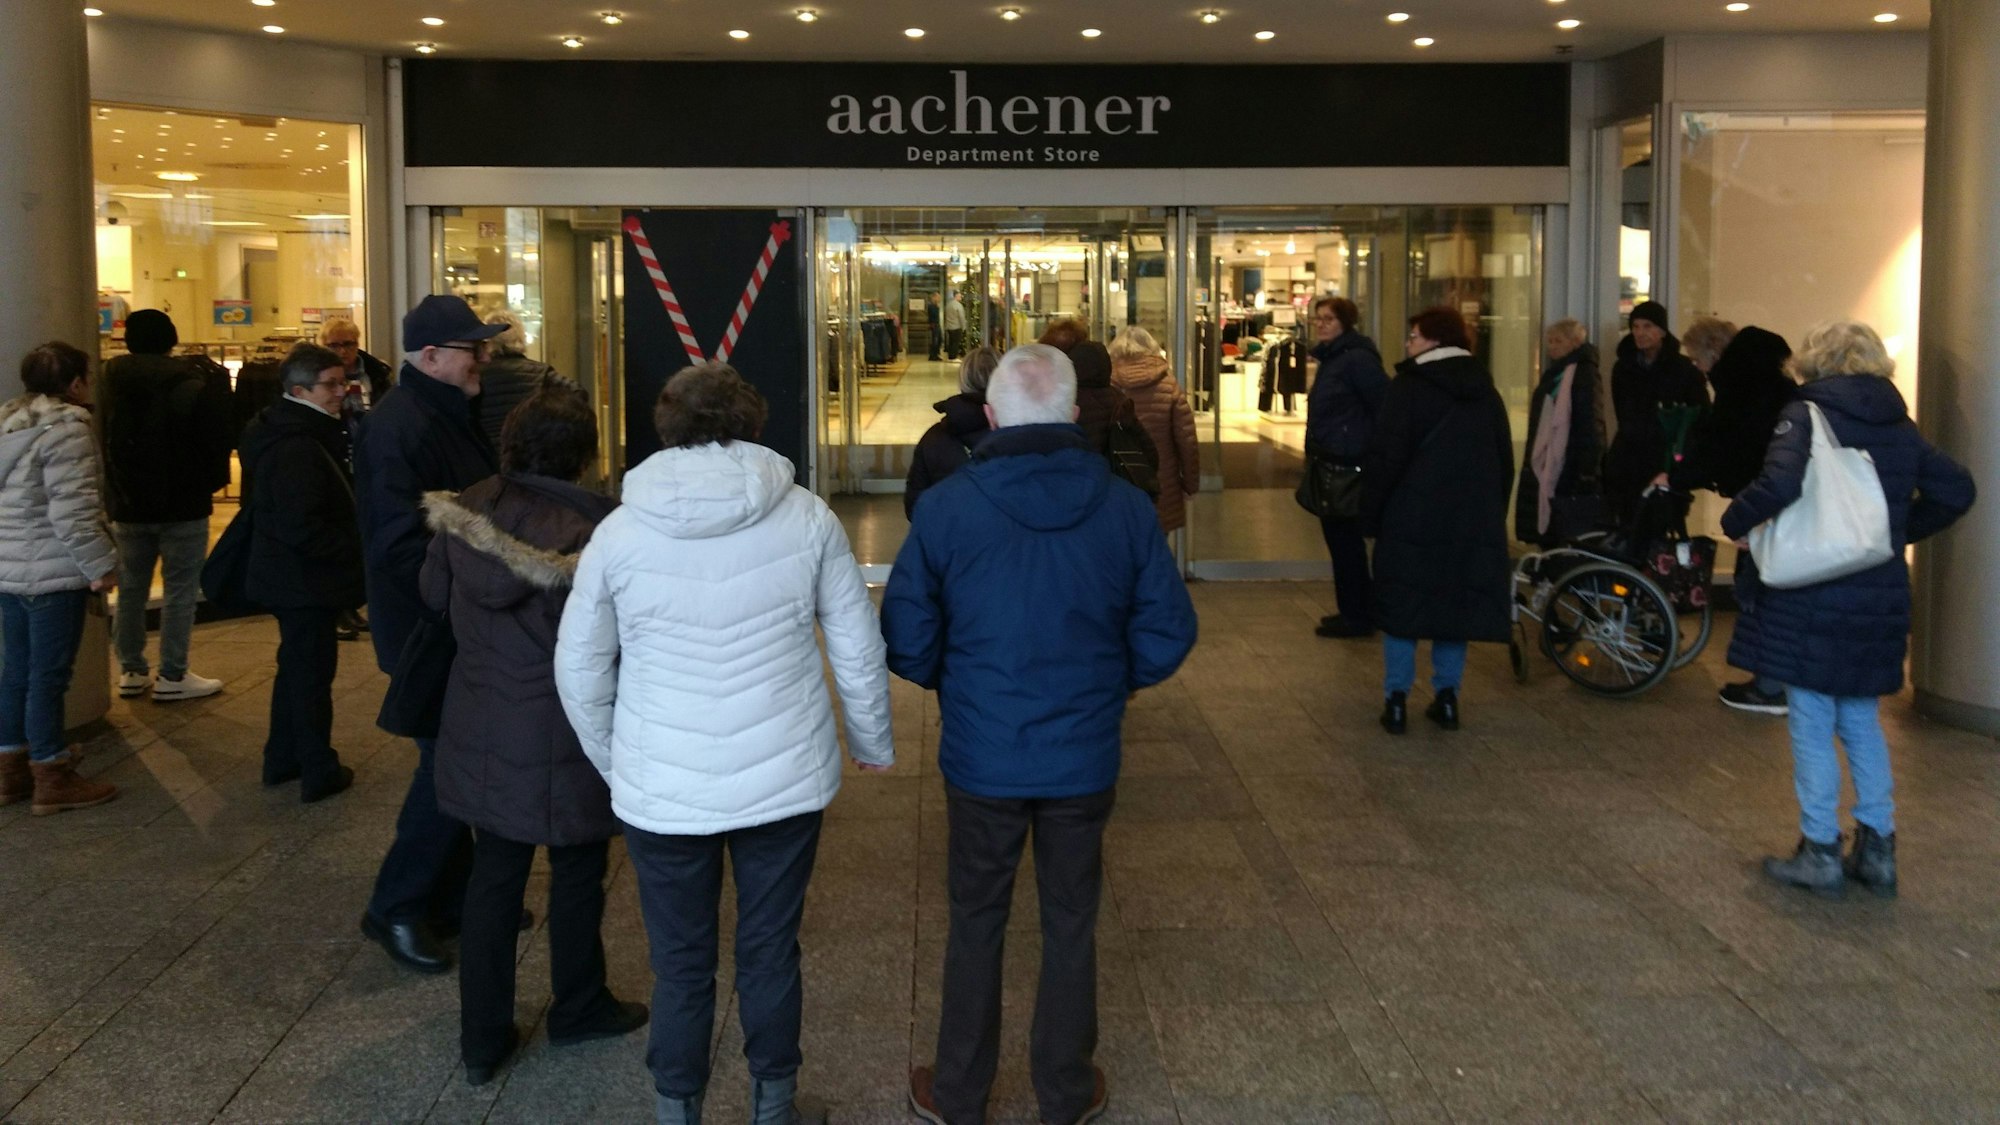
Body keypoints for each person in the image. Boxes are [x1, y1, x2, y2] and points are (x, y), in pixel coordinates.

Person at [554, 361, 893, 1125]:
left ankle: (679, 1111)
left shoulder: (620, 529)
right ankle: (773, 1107)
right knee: (771, 950)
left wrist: (621, 762)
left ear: (665, 427)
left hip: (662, 792)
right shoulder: (806, 516)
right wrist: (869, 740)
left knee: (680, 963)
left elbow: (577, 665)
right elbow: (855, 645)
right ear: (753, 424)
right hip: (784, 779)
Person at [884, 344, 1198, 1125]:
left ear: (991, 417)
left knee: (976, 916)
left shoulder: (949, 506)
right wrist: (1110, 684)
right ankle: (1063, 1088)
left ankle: (958, 1091)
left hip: (982, 754)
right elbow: (1169, 630)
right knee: (1070, 917)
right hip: (1082, 756)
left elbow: (907, 631)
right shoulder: (1125, 506)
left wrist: (957, 686)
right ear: (1070, 413)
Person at [424, 388, 646, 1086]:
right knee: (578, 866)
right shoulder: (598, 528)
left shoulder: (466, 509)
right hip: (567, 722)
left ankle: (481, 1036)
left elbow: (432, 595)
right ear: (584, 453)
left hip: (483, 714)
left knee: (496, 872)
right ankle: (579, 1003)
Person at [1721, 321, 1974, 898]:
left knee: (1810, 720)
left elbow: (1779, 483)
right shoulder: (1900, 423)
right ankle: (1878, 849)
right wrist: (1893, 533)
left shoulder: (1804, 415)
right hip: (1879, 593)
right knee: (1860, 720)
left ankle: (1819, 849)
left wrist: (1735, 522)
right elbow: (1957, 489)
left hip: (1815, 592)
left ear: (1814, 362)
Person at [355, 294, 507, 974]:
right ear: (432, 356)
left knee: (458, 757)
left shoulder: (441, 412)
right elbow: (398, 543)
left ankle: (449, 898)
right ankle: (396, 905)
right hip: (430, 624)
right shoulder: (402, 426)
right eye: (473, 347)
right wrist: (457, 600)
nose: (485, 357)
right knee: (446, 765)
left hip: (448, 618)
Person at [1363, 307, 1513, 735]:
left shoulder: (1407, 388)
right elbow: (1504, 461)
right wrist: (1490, 515)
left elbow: (1385, 459)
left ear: (1432, 340)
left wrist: (1371, 516)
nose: (1408, 344)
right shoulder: (1485, 390)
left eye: (1413, 336)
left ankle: (1396, 700)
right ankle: (1447, 698)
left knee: (1402, 608)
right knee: (1454, 608)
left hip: (1410, 518)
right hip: (1469, 521)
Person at [237, 343, 366, 803]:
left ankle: (283, 757)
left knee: (295, 668)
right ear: (299, 390)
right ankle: (316, 766)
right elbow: (301, 524)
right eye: (330, 385)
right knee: (311, 673)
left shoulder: (287, 429)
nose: (341, 392)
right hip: (303, 579)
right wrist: (354, 551)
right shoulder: (298, 443)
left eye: (342, 381)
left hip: (290, 574)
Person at [0, 343, 119, 815]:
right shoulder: (66, 429)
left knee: (16, 674)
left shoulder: (9, 425)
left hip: (10, 572)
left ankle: (10, 770)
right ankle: (51, 774)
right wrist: (101, 566)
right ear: (75, 384)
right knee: (49, 676)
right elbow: (74, 513)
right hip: (53, 573)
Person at [97, 308, 234, 702]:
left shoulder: (110, 383)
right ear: (171, 339)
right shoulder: (191, 382)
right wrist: (204, 487)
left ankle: (131, 670)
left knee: (131, 590)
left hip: (128, 505)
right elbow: (214, 444)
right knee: (179, 591)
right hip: (183, 504)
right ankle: (173, 674)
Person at [1663, 325, 1797, 715]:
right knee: (1765, 586)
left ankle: (1771, 687)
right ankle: (1773, 681)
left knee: (1757, 588)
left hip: (1763, 503)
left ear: (1714, 354)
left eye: (1695, 357)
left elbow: (1723, 448)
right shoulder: (1777, 385)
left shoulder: (1741, 390)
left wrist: (1678, 476)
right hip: (1777, 502)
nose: (1695, 366)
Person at [1303, 297, 1388, 637]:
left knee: (1347, 543)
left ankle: (1358, 615)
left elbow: (1382, 405)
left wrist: (1360, 445)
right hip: (1332, 462)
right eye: (1318, 319)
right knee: (1340, 543)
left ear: (1345, 324)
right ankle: (1351, 610)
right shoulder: (1334, 358)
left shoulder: (1356, 360)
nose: (1321, 324)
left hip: (1348, 466)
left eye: (1329, 319)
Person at [1601, 300, 1707, 530]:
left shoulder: (1683, 369)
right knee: (1628, 524)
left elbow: (1698, 415)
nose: (1640, 333)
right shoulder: (1624, 367)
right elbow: (1622, 411)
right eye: (1636, 327)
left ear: (1662, 331)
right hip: (1628, 459)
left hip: (1665, 458)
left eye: (1647, 326)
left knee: (1661, 523)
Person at [1514, 318, 1604, 548]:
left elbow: (1588, 421)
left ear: (1574, 342)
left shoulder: (1580, 373)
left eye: (1558, 341)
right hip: (1554, 459)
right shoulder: (1558, 372)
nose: (1552, 346)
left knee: (1562, 527)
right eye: (1550, 341)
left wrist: (1586, 467)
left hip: (1567, 461)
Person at [1107, 325, 1201, 535]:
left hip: (1116, 481)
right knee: (1156, 544)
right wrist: (1190, 483)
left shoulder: (1107, 386)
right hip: (1161, 482)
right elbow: (1187, 440)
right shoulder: (1168, 385)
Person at [905, 346, 1001, 519]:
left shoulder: (933, 439)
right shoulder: (1017, 434)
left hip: (948, 538)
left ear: (963, 380)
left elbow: (914, 506)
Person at [476, 310, 579, 453]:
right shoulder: (541, 373)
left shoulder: (477, 374)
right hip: (528, 453)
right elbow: (577, 391)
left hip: (487, 454)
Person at [320, 316, 394, 408]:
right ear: (324, 347)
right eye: (334, 345)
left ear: (357, 344)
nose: (343, 351)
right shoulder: (317, 376)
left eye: (348, 344)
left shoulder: (378, 372)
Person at [943, 291, 968, 360]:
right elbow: (961, 317)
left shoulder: (948, 305)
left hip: (949, 326)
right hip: (957, 327)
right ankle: (953, 356)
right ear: (956, 296)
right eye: (960, 296)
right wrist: (964, 327)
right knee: (956, 343)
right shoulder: (958, 305)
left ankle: (950, 356)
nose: (961, 297)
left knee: (951, 342)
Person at [925, 292, 944, 362]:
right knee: (935, 341)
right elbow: (933, 315)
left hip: (937, 324)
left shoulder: (935, 306)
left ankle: (936, 354)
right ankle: (933, 355)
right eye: (938, 297)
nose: (939, 299)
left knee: (939, 340)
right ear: (934, 297)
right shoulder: (931, 306)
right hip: (934, 325)